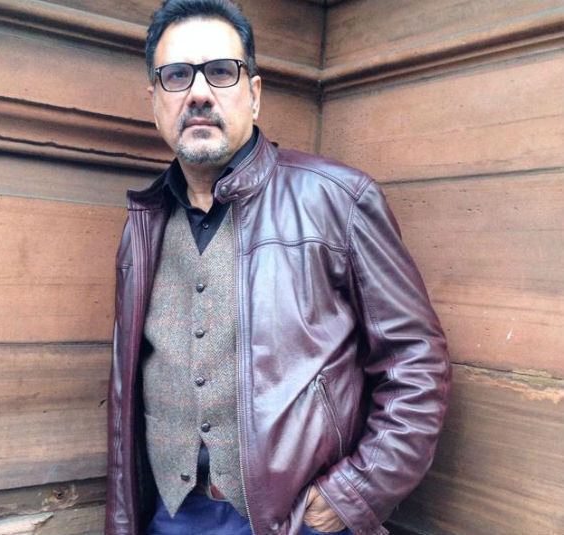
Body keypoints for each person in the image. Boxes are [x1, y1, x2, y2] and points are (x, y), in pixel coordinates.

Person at [105, 1, 450, 534]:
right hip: (173, 516)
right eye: (176, 76)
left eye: (221, 72)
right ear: (155, 100)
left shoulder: (337, 199)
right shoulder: (144, 224)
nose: (199, 93)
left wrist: (356, 491)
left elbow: (415, 362)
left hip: (296, 520)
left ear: (255, 93)